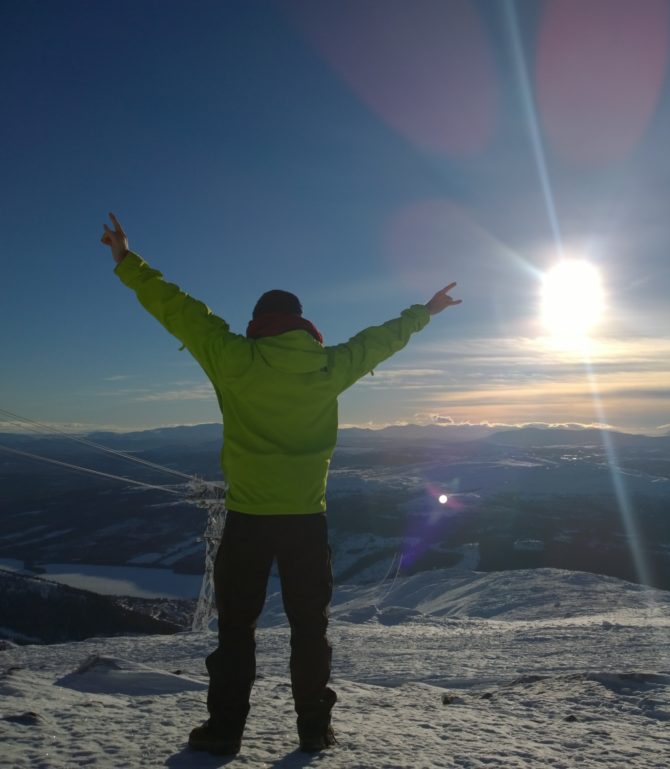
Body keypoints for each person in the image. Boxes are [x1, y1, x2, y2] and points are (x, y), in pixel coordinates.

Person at [100, 213, 460, 755]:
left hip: (248, 519)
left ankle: (225, 731)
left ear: (258, 322)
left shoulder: (232, 357)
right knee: (309, 629)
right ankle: (314, 728)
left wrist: (127, 260)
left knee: (236, 630)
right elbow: (380, 340)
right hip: (305, 521)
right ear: (302, 323)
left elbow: (178, 309)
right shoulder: (329, 367)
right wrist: (426, 311)